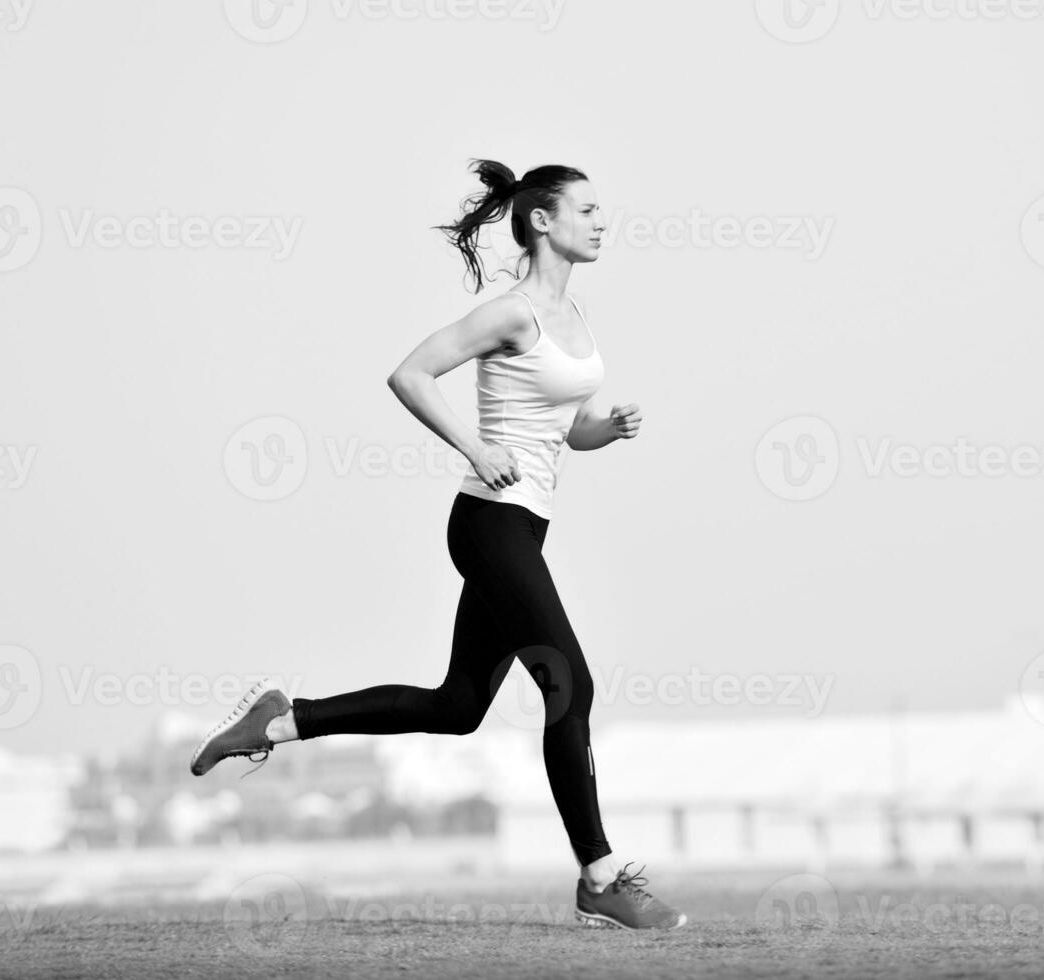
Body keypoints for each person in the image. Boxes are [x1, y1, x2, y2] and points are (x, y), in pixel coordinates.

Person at [189, 159, 685, 931]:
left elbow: (565, 428)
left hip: (524, 527)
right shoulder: (510, 313)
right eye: (586, 210)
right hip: (488, 524)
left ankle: (282, 720)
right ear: (543, 221)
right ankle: (599, 875)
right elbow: (411, 375)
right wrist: (472, 449)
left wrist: (604, 430)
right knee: (570, 685)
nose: (602, 221)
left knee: (457, 707)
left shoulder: (578, 319)